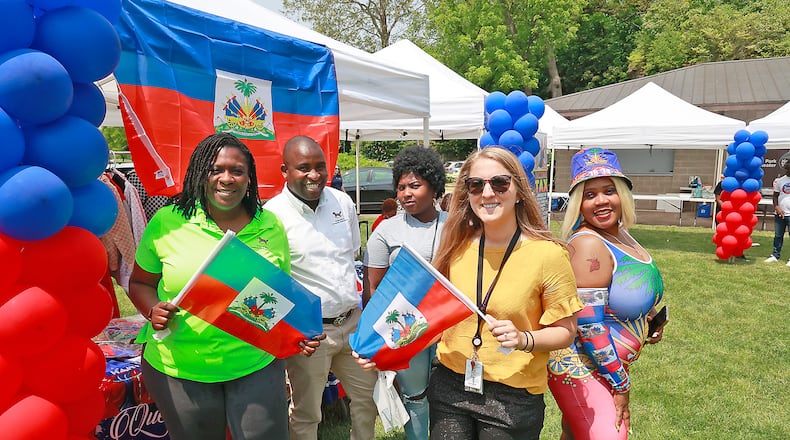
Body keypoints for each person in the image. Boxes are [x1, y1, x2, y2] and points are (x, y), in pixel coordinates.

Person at [128, 133, 321, 440]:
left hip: (255, 363)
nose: (226, 179)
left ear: (249, 178)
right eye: (216, 169)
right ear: (199, 174)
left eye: (237, 171)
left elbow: (278, 298)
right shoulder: (169, 222)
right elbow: (140, 282)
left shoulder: (269, 225)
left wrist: (299, 333)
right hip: (180, 368)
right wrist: (153, 308)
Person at [428, 147, 582, 439]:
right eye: (476, 185)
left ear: (519, 190)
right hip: (449, 383)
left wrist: (524, 339)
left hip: (513, 393)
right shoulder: (455, 246)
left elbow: (566, 331)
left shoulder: (548, 255)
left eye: (499, 183)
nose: (487, 193)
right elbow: (433, 316)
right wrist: (386, 349)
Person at [263, 135, 378, 440]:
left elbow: (352, 252)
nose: (314, 175)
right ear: (284, 170)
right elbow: (270, 281)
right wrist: (292, 331)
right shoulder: (272, 216)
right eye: (304, 168)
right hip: (309, 334)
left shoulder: (342, 201)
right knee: (307, 413)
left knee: (368, 400)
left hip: (352, 324)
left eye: (320, 167)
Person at [548, 147, 666, 440]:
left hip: (608, 366)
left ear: (623, 195)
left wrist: (649, 317)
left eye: (609, 191)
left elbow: (623, 291)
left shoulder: (621, 234)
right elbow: (588, 326)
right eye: (590, 195)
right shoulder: (589, 244)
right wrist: (621, 383)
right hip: (581, 365)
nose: (601, 201)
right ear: (578, 203)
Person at [362, 146, 448, 440]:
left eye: (415, 185)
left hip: (451, 326)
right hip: (408, 328)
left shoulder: (458, 226)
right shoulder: (385, 232)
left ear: (434, 186)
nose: (406, 194)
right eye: (401, 187)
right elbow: (374, 291)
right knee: (415, 396)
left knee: (452, 397)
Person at [764, 155, 790, 265]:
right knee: (778, 235)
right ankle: (775, 255)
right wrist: (777, 207)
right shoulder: (779, 181)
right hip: (780, 213)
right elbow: (775, 196)